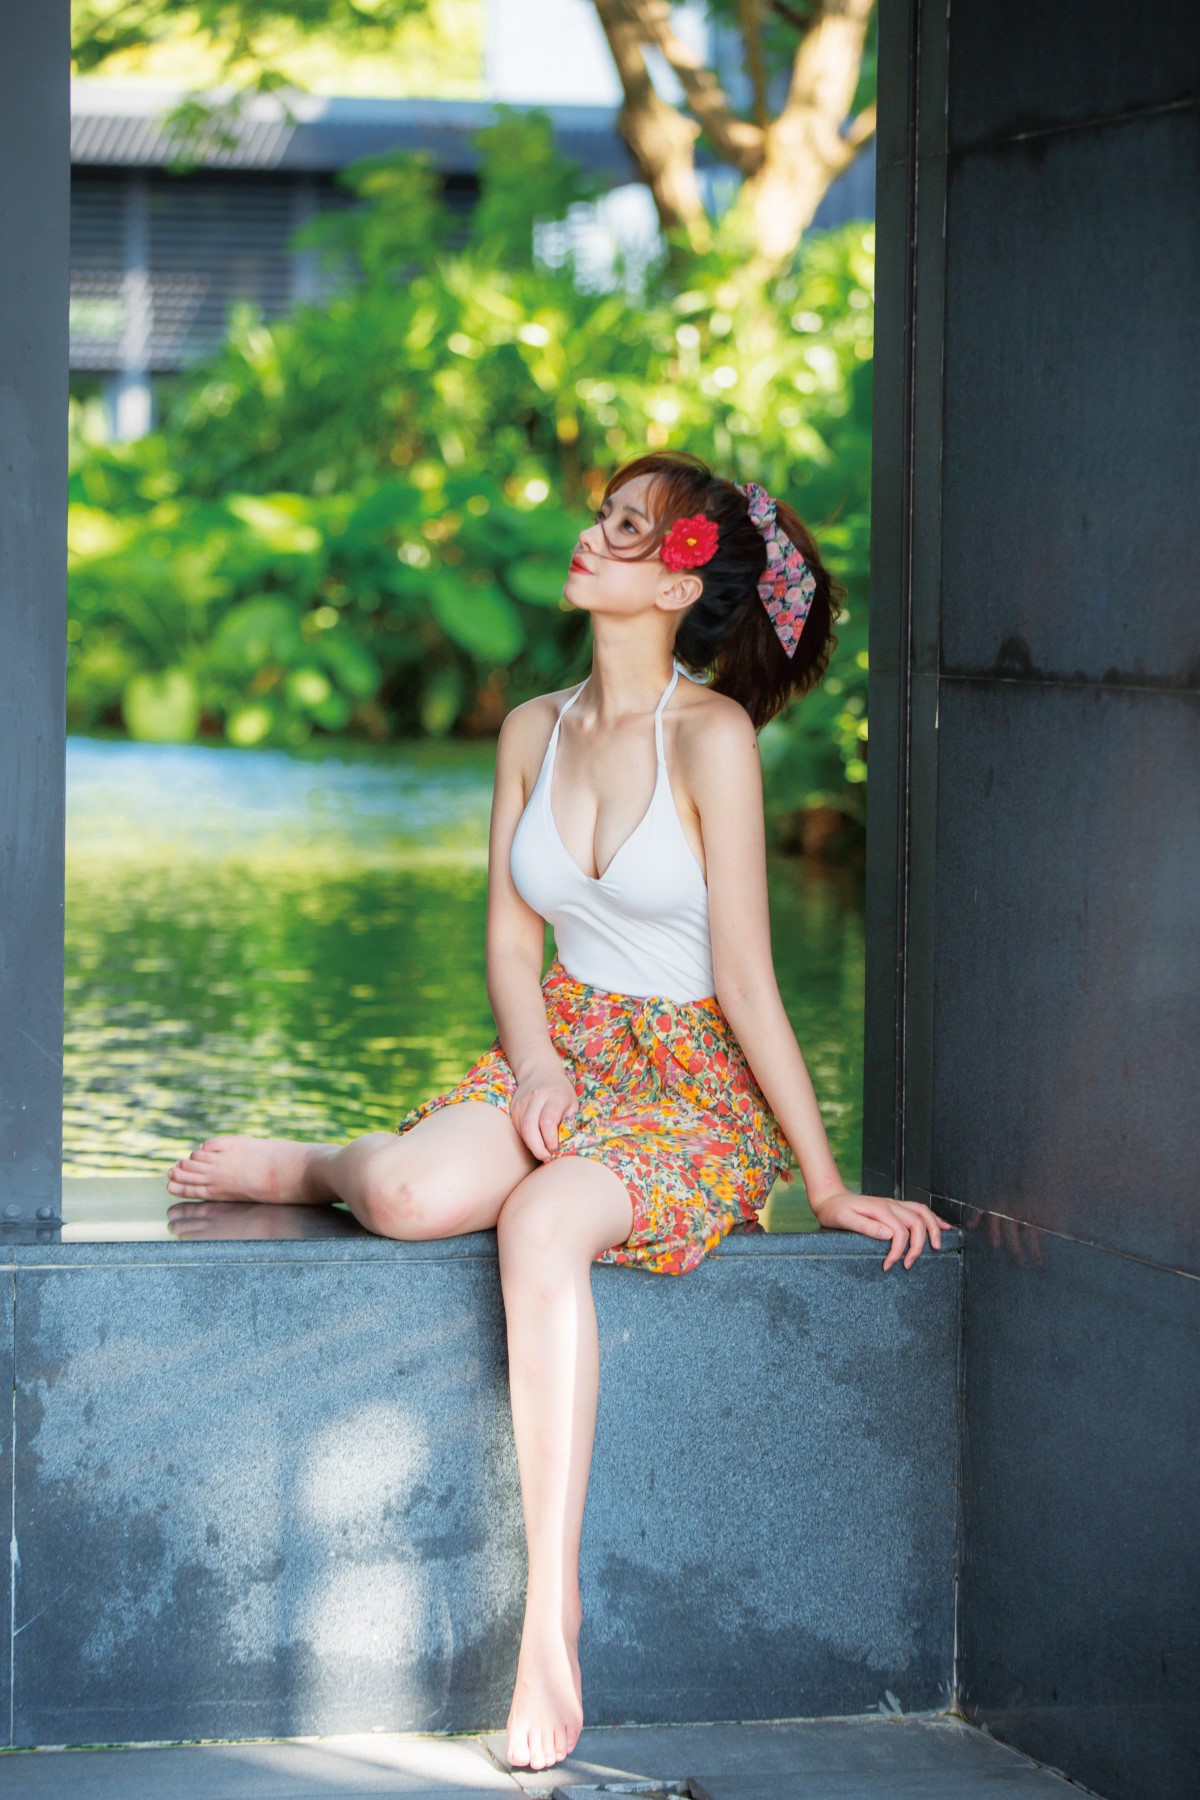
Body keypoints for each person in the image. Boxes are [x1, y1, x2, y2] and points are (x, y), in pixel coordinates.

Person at [165, 449, 951, 1773]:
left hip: (690, 1088)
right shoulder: (530, 727)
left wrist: (823, 1183)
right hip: (566, 1042)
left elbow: (750, 982)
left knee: (540, 1226)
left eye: (630, 527)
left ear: (681, 584)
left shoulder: (713, 739)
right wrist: (532, 1066)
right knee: (407, 1193)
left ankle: (549, 1620)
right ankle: (315, 1164)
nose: (595, 534)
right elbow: (508, 937)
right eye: (605, 514)